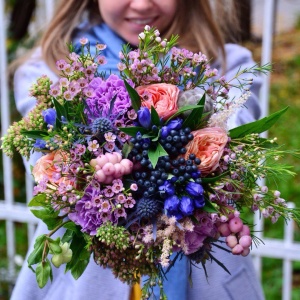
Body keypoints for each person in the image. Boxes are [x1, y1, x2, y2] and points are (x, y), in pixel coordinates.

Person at [10, 0, 264, 299]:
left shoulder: (230, 66)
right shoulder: (51, 69)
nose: (142, 4)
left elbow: (227, 152)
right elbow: (53, 175)